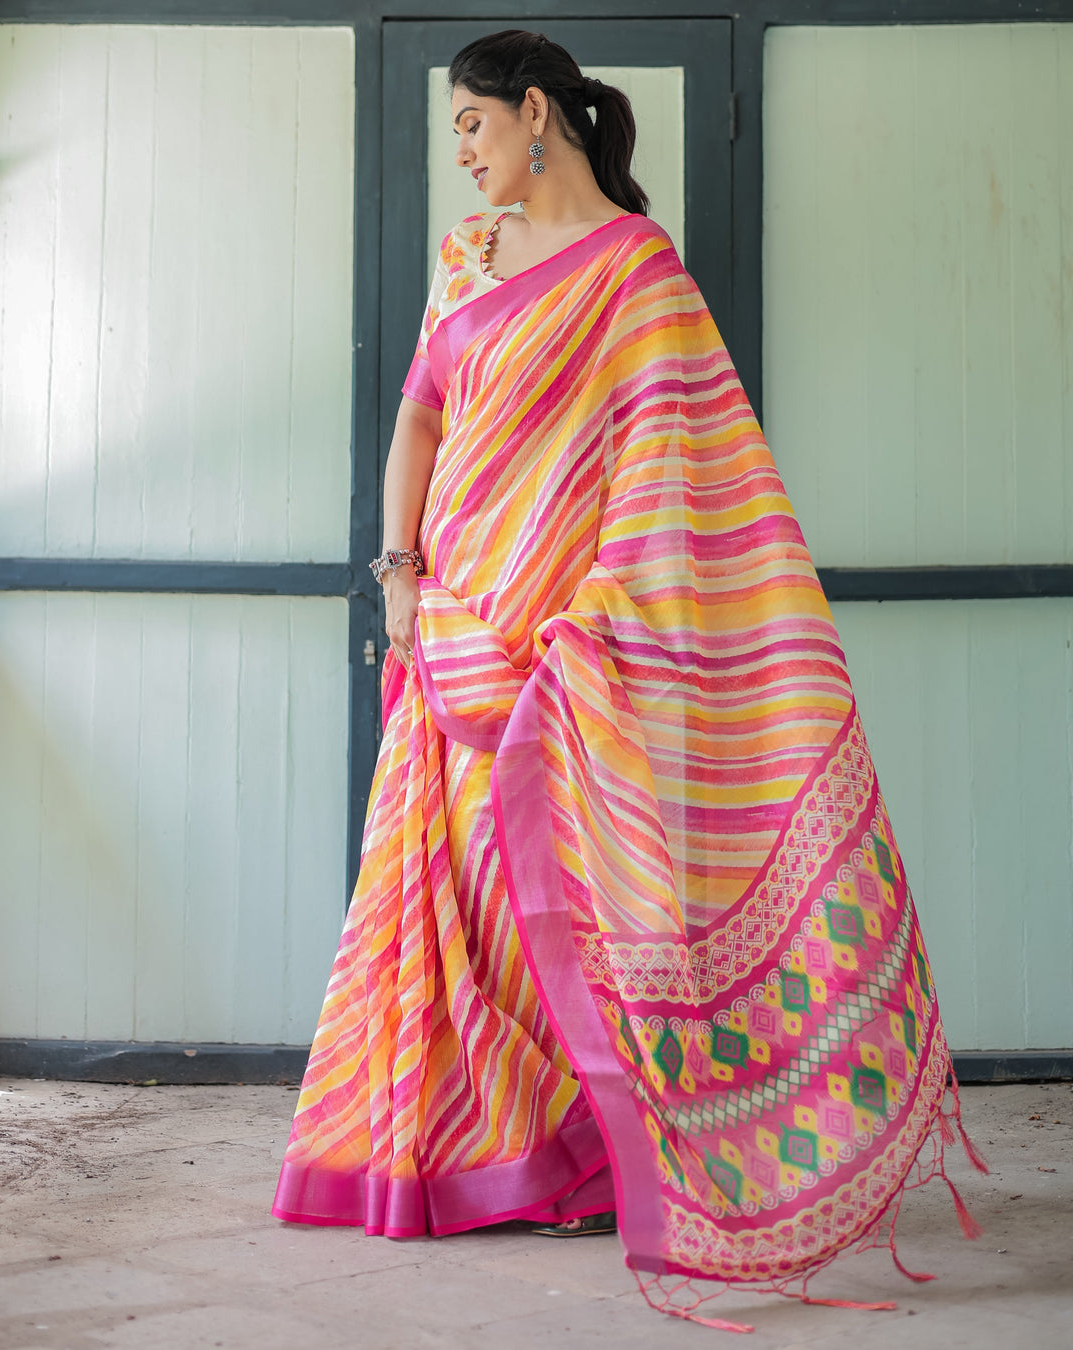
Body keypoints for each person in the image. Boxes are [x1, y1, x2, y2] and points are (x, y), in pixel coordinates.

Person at [273, 28, 984, 1327]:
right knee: (455, 903)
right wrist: (398, 576)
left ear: (536, 114)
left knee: (566, 898)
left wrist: (590, 623)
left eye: (476, 131)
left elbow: (676, 477)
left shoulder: (638, 276)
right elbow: (420, 417)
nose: (467, 158)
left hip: (561, 649)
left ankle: (598, 1151)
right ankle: (478, 1153)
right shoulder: (466, 260)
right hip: (448, 628)